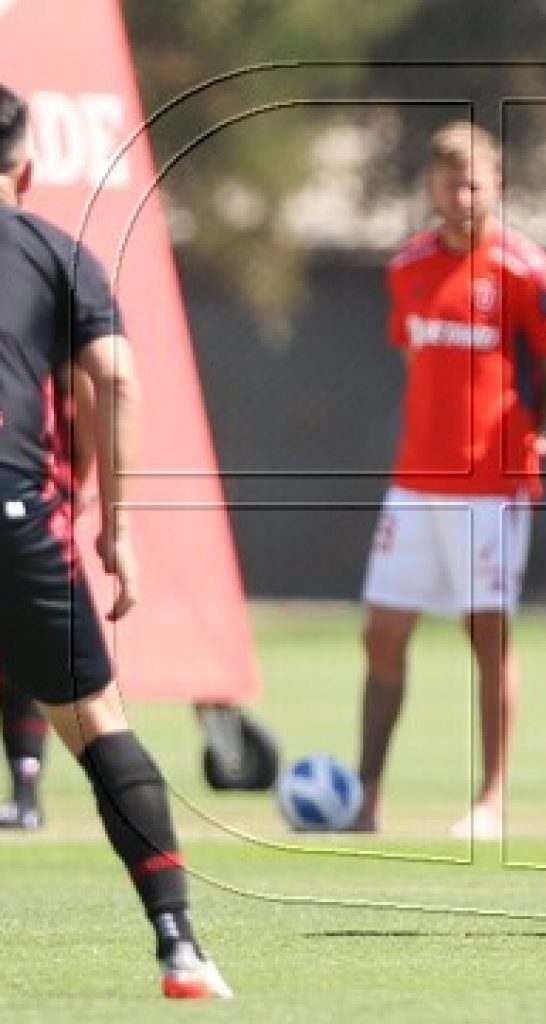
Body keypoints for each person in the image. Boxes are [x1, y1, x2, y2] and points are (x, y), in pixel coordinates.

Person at [0, 83, 231, 998]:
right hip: (16, 512)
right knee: (98, 723)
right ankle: (178, 945)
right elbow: (117, 384)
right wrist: (116, 528)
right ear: (25, 166)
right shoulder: (59, 254)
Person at [351, 120, 546, 839]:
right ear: (432, 185)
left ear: (497, 184)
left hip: (492, 486)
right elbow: (414, 357)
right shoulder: (408, 267)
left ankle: (491, 798)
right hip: (416, 482)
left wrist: (529, 427)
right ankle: (365, 799)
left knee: (488, 639)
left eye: (476, 179)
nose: (463, 193)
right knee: (382, 635)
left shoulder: (527, 271)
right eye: (450, 179)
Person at [0, 366, 94, 830]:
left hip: (28, 490)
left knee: (22, 646)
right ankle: (25, 794)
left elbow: (88, 388)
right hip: (37, 493)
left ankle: (25, 792)